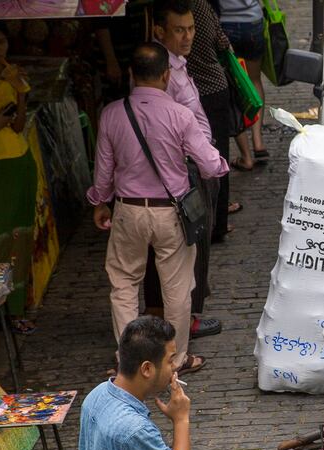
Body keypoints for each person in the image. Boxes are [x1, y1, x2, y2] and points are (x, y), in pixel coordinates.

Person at [86, 42, 228, 373]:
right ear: (166, 75)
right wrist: (221, 162)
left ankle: (128, 361)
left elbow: (103, 172)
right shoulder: (180, 115)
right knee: (177, 288)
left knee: (123, 283)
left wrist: (99, 203)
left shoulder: (111, 114)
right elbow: (210, 166)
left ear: (131, 74)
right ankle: (174, 361)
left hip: (128, 209)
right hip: (171, 212)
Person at [146, 0, 224, 347]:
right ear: (160, 31)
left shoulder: (179, 65)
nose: (188, 36)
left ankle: (189, 313)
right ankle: (186, 319)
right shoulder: (163, 74)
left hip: (200, 162)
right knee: (191, 244)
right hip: (188, 169)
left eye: (191, 28)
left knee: (199, 240)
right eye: (180, 30)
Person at [79, 316, 191, 450]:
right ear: (147, 369)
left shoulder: (96, 396)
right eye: (170, 360)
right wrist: (181, 419)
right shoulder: (135, 430)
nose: (174, 368)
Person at [185, 0, 242, 242]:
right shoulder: (200, 6)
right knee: (217, 155)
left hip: (197, 89)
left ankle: (208, 222)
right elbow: (221, 41)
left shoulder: (171, 12)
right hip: (211, 88)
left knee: (200, 159)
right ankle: (218, 223)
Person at [0, 24, 36, 335]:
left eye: (2, 40)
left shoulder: (12, 74)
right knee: (0, 239)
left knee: (19, 237)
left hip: (19, 160)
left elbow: (20, 124)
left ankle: (15, 306)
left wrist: (21, 92)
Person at [218, 0, 269, 169]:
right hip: (252, 22)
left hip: (226, 24)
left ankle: (246, 156)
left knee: (234, 88)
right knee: (254, 80)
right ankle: (258, 141)